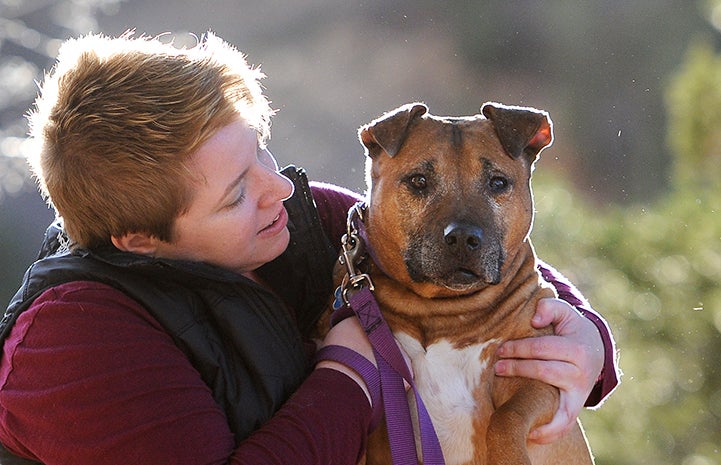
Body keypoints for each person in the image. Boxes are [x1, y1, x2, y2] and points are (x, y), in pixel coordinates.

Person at [0, 31, 618, 465]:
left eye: (261, 150)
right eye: (236, 193)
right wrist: (347, 372)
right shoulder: (71, 349)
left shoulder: (305, 221)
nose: (280, 189)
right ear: (141, 241)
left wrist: (586, 339)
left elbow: (458, 260)